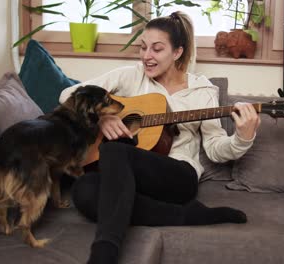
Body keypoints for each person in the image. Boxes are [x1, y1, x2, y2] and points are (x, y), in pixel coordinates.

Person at [59, 11, 261, 264]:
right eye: (143, 48)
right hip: (130, 180)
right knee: (83, 190)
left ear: (177, 52)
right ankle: (187, 216)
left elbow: (214, 148)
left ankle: (104, 255)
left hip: (177, 176)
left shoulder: (203, 91)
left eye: (156, 49)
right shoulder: (130, 76)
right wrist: (102, 117)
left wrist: (242, 137)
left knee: (114, 151)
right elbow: (68, 94)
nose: (146, 56)